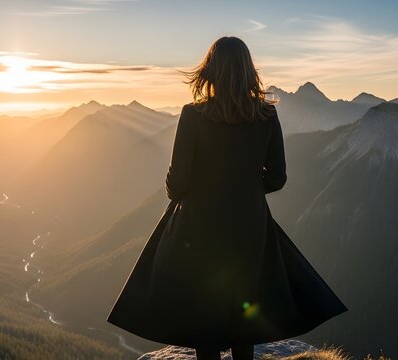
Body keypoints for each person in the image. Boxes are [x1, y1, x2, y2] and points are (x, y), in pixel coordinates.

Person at [107, 36, 348, 360]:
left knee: (206, 316)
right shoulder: (266, 115)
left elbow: (178, 184)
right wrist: (243, 188)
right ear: (249, 72)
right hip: (250, 226)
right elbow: (277, 178)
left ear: (210, 71)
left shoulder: (193, 115)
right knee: (243, 313)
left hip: (200, 228)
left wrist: (200, 189)